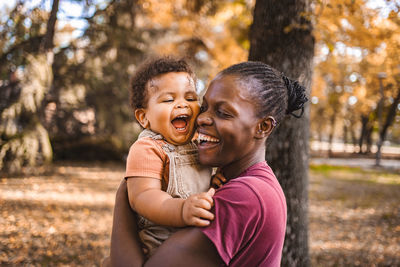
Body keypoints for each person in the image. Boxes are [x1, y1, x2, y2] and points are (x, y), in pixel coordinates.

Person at [108, 61, 308, 267]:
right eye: (204, 107)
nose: (202, 118)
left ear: (263, 127)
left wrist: (124, 196)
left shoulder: (244, 196)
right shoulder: (237, 182)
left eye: (223, 113)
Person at [123, 57, 220, 257]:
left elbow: (192, 184)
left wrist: (212, 184)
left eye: (191, 98)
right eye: (169, 100)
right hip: (159, 246)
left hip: (193, 241)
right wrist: (182, 209)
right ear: (143, 117)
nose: (182, 105)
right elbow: (142, 197)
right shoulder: (148, 148)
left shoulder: (198, 144)